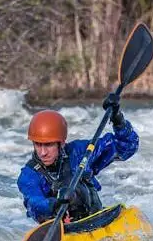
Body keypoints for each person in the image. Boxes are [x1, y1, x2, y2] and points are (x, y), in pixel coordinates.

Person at [17, 94, 139, 224]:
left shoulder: (80, 153)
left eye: (48, 145)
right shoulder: (28, 174)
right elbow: (33, 202)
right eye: (37, 144)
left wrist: (117, 119)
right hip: (60, 230)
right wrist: (54, 205)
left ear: (61, 143)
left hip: (95, 220)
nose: (42, 153)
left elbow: (127, 146)